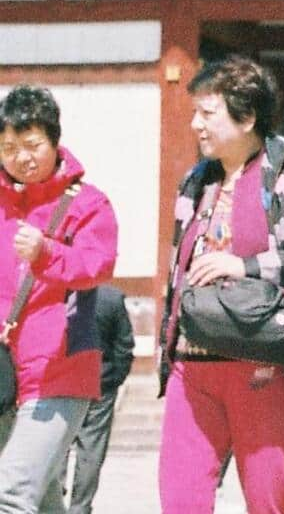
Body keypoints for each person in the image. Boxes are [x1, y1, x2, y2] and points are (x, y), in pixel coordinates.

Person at [157, 58, 284, 514]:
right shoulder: (196, 182)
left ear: (247, 116)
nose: (195, 124)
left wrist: (245, 266)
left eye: (207, 113)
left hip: (265, 365)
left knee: (270, 498)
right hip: (191, 365)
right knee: (180, 500)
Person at [0, 86, 119, 514]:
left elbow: (98, 266)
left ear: (55, 140)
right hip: (2, 375)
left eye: (32, 145)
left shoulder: (87, 204)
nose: (21, 157)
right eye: (8, 147)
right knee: (44, 499)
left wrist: (47, 252)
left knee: (9, 494)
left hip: (59, 370)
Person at [42, 283, 131, 514]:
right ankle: (80, 507)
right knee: (91, 449)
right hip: (100, 382)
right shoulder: (112, 297)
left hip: (64, 380)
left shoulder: (59, 292)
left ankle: (54, 498)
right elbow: (124, 344)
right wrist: (114, 379)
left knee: (57, 442)